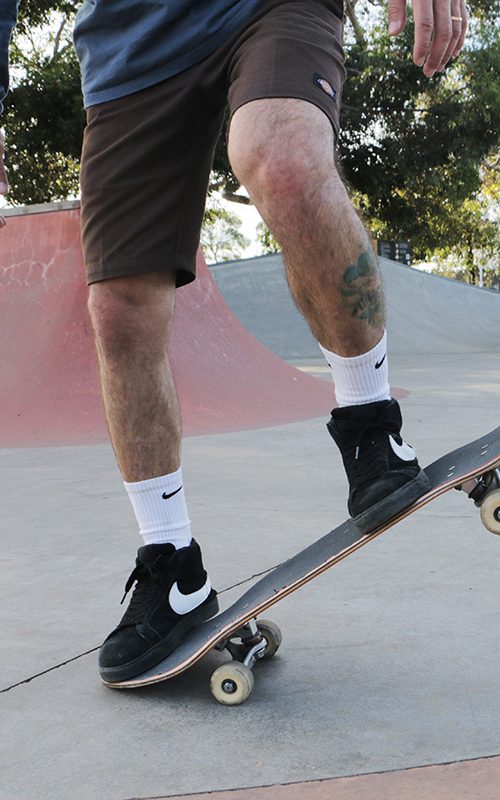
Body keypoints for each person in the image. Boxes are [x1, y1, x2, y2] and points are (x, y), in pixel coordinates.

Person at [0, 0, 468, 682]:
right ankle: (173, 569)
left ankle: (373, 424)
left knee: (281, 157)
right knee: (120, 307)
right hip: (130, 48)